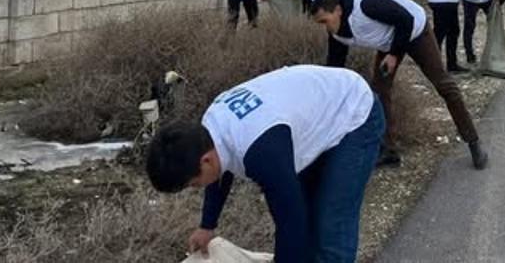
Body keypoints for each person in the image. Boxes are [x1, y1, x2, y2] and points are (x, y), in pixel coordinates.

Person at [146, 65, 384, 262]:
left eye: (194, 183)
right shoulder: (209, 130)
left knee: (330, 225)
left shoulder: (260, 153)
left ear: (205, 160)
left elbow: (290, 222)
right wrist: (207, 226)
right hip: (314, 114)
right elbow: (221, 171)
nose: (198, 187)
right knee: (309, 218)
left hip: (354, 112)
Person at [310, 0, 488, 170]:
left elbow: (406, 20)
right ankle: (389, 151)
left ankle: (473, 141)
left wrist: (394, 54)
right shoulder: (336, 34)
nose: (325, 27)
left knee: (444, 85)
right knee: (379, 91)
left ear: (338, 10)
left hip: (415, 31)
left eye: (325, 21)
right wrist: (327, 92)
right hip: (389, 41)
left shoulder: (366, 5)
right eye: (320, 23)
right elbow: (335, 66)